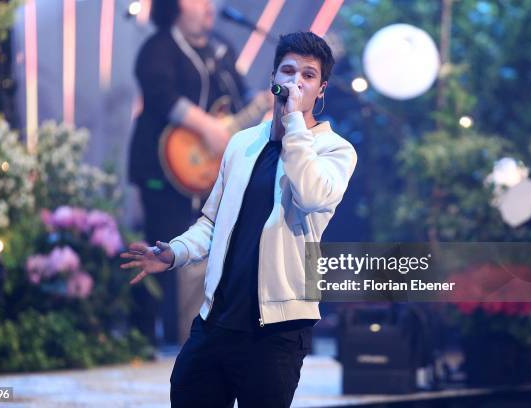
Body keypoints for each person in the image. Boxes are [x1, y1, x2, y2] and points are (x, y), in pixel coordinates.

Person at [122, 32, 357, 407]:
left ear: (321, 90)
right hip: (215, 322)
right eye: (288, 70)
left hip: (276, 332)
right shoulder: (242, 143)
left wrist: (294, 124)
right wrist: (175, 253)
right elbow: (213, 222)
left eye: (308, 76)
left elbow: (311, 195)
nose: (296, 81)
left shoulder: (335, 150)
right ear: (273, 80)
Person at [127, 0, 256, 345]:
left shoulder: (221, 49)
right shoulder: (158, 47)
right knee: (161, 243)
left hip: (209, 175)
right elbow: (161, 95)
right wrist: (207, 128)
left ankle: (194, 333)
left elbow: (240, 101)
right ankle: (142, 336)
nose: (208, 6)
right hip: (162, 167)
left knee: (210, 251)